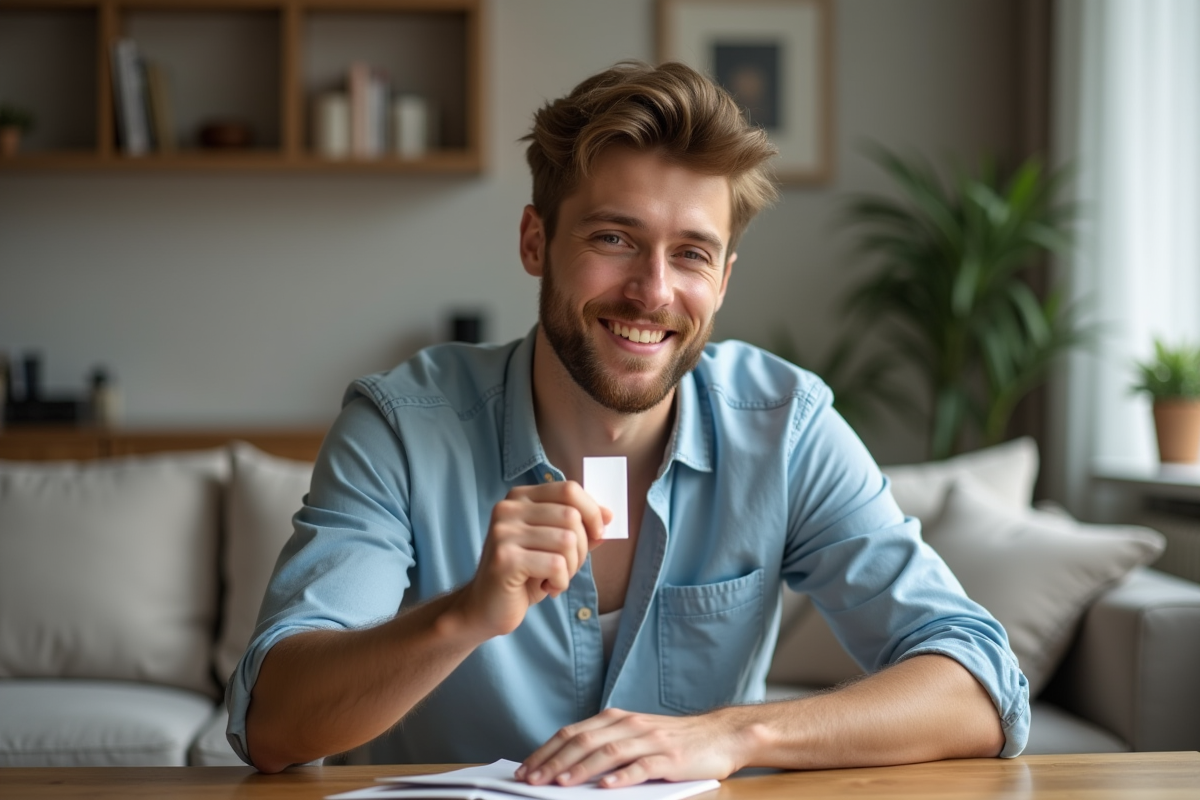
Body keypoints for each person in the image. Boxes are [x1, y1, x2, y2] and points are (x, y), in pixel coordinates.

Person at [226, 61, 1029, 784]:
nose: (651, 292)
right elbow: (273, 728)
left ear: (722, 279)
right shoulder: (403, 425)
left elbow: (982, 685)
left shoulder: (785, 427)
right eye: (614, 238)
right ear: (536, 241)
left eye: (691, 254)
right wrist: (463, 614)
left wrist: (734, 735)